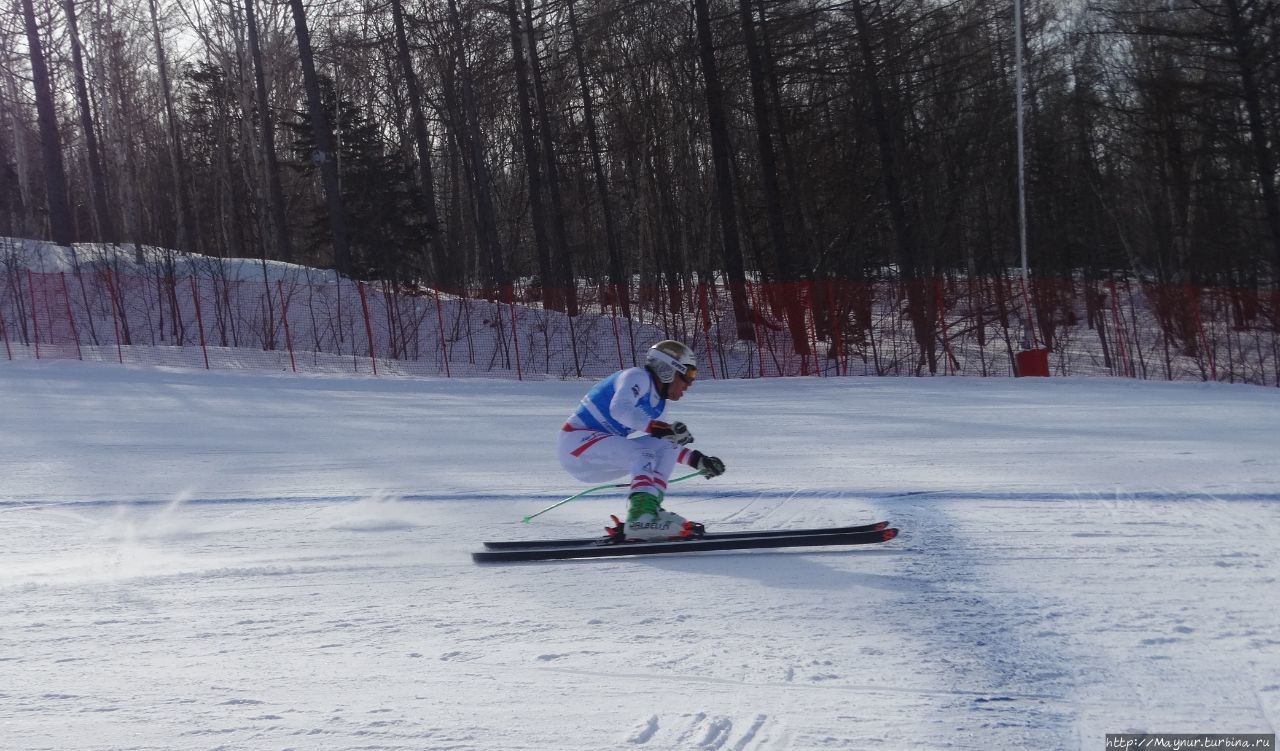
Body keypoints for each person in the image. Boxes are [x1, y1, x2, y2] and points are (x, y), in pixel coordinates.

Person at [558, 340, 726, 541]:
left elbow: (664, 443)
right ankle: (640, 517)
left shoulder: (660, 406)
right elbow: (619, 409)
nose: (689, 384)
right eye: (688, 375)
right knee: (642, 453)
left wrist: (697, 460)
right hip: (575, 444)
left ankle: (650, 510)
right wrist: (660, 428)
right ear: (668, 370)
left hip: (598, 456)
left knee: (668, 444)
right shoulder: (637, 377)